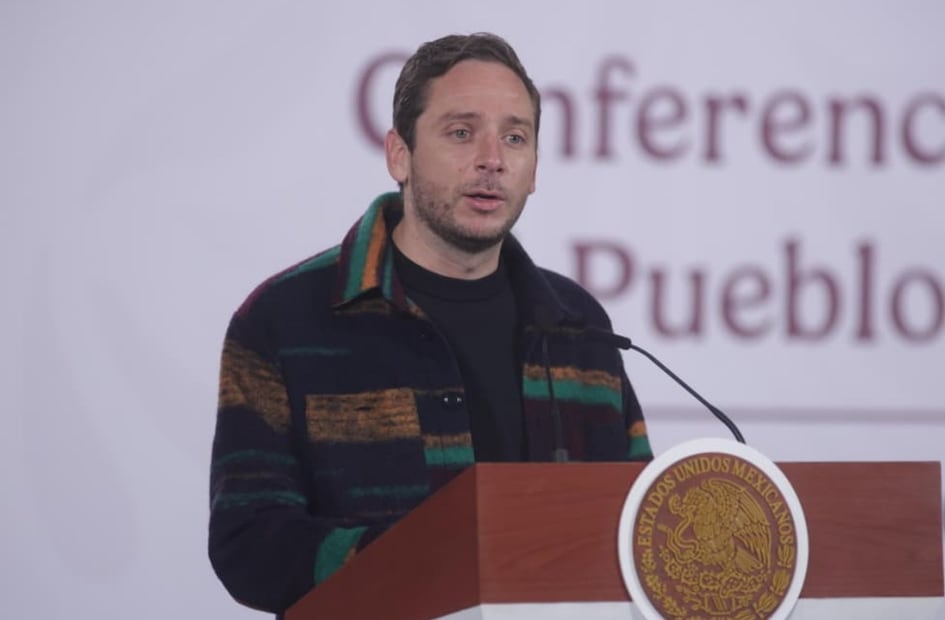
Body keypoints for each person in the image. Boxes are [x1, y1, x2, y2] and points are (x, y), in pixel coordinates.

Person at [208, 32, 653, 615]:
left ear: (535, 168)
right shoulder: (282, 320)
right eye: (462, 132)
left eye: (515, 137)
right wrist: (422, 563)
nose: (492, 158)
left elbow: (641, 518)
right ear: (399, 154)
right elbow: (248, 541)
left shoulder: (577, 325)